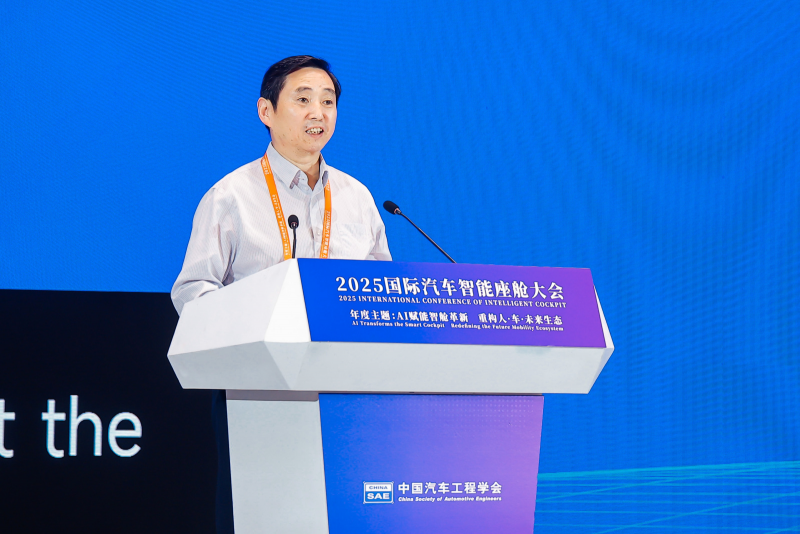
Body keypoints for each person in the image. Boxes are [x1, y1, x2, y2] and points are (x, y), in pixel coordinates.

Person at [170, 55, 391, 533]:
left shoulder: (357, 198)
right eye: (303, 99)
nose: (318, 113)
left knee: (346, 514)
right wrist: (250, 319)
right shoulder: (231, 195)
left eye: (328, 102)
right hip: (258, 387)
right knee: (264, 515)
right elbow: (192, 290)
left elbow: (383, 292)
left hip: (348, 390)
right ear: (266, 111)